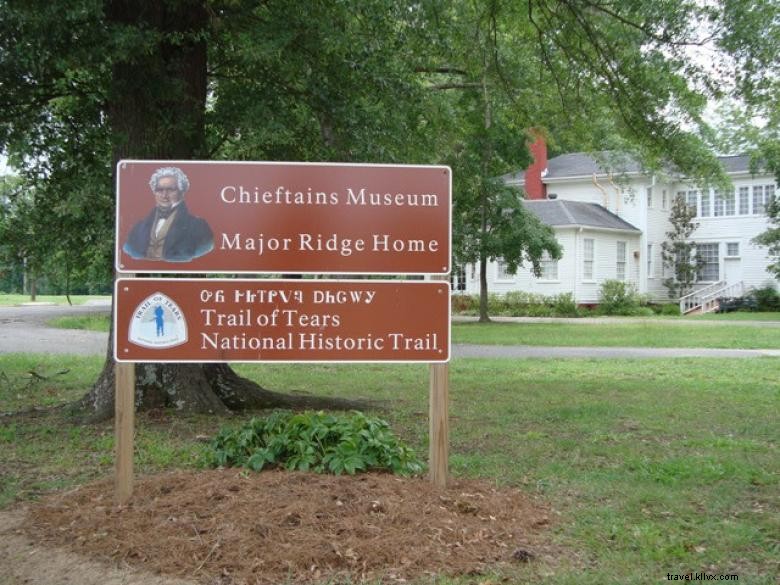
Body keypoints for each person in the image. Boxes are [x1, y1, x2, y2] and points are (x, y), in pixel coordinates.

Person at [123, 167, 214, 262]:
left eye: (171, 190)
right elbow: (129, 252)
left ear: (182, 192)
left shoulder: (198, 226)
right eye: (159, 190)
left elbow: (203, 252)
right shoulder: (139, 227)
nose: (164, 195)